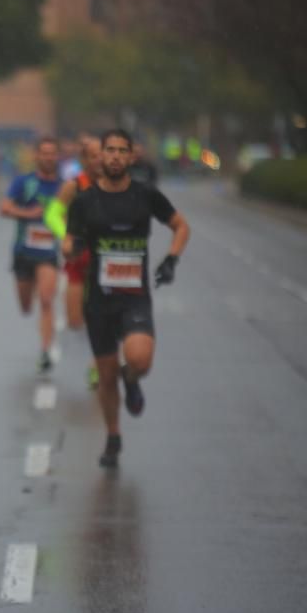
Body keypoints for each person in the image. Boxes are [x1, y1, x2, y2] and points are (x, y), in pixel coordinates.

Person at [64, 129, 190, 467]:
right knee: (105, 377)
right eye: (110, 150)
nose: (116, 156)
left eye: (123, 150)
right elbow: (69, 240)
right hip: (99, 301)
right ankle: (113, 437)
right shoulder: (84, 201)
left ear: (132, 157)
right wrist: (73, 248)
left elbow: (181, 226)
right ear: (100, 156)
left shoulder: (146, 195)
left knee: (140, 360)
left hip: (135, 298)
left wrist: (171, 260)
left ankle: (131, 379)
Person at [0, 137, 62, 375]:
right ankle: (30, 293)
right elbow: (4, 208)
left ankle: (45, 351)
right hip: (23, 252)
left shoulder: (64, 187)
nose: (48, 157)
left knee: (46, 299)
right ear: (37, 156)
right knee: (26, 306)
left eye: (52, 153)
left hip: (48, 253)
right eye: (44, 153)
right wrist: (27, 213)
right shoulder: (24, 183)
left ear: (57, 157)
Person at [45, 136, 103, 388]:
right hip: (79, 259)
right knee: (75, 320)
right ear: (84, 160)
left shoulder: (120, 185)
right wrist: (66, 237)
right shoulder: (74, 185)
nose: (100, 161)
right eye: (94, 156)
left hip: (109, 261)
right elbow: (52, 213)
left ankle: (98, 364)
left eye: (105, 154)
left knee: (103, 315)